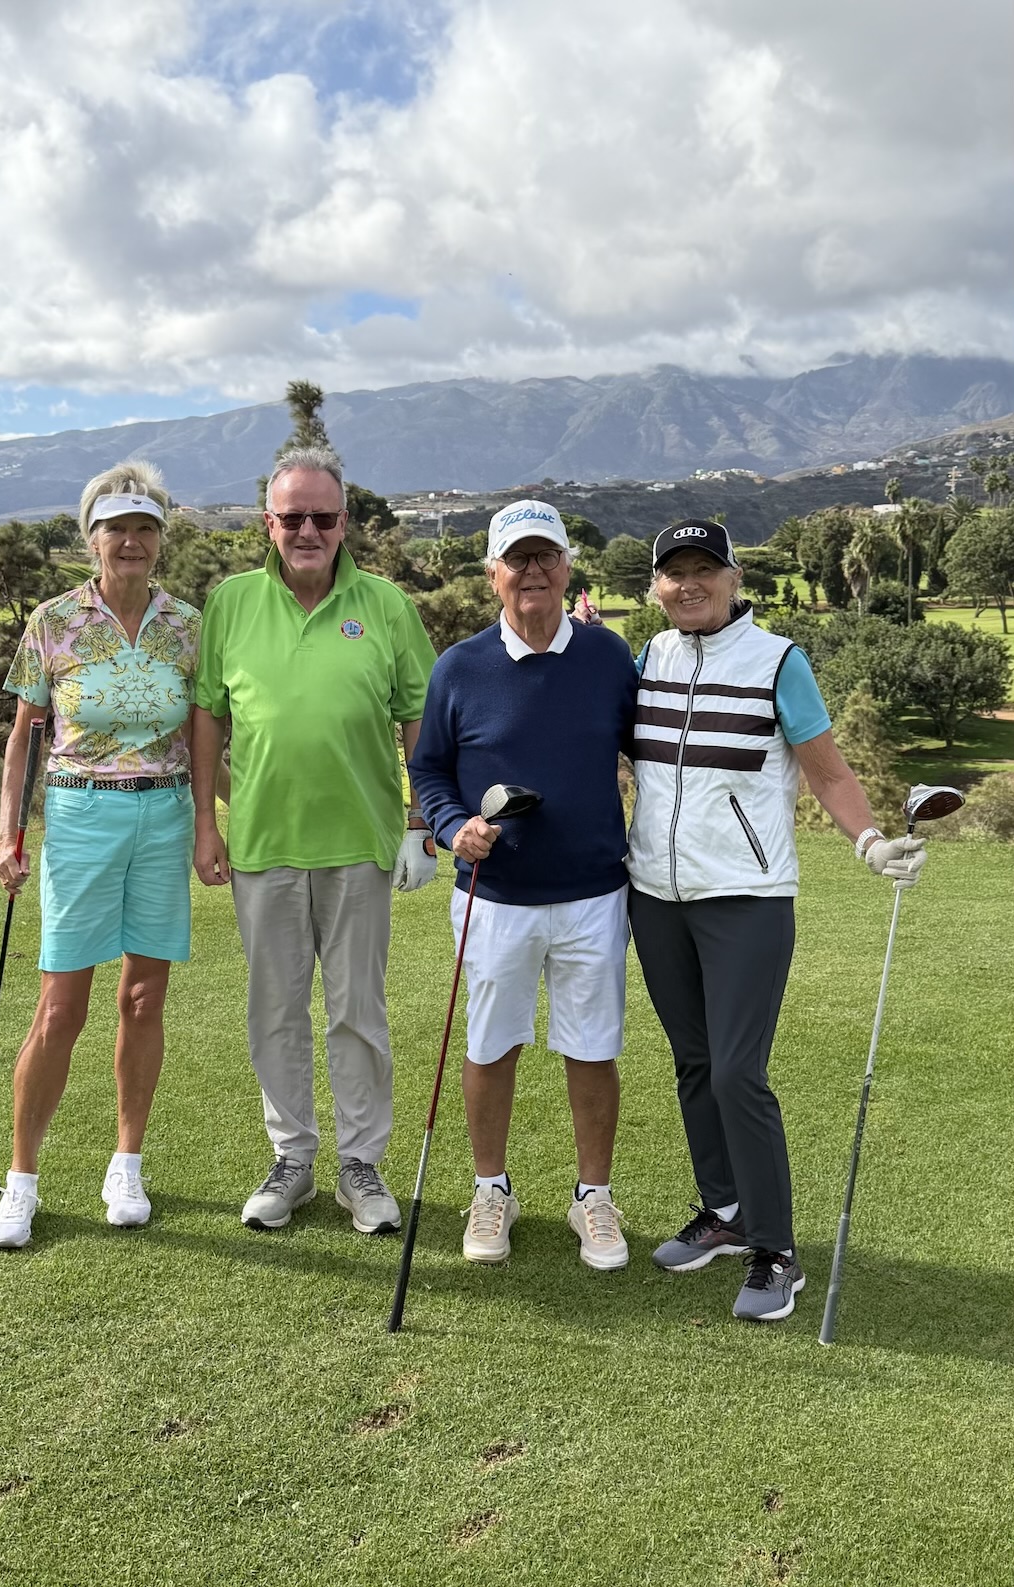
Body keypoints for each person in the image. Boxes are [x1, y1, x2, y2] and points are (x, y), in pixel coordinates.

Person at [619, 518, 926, 1321]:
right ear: (655, 586)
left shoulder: (778, 660)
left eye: (705, 569)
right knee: (693, 1062)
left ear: (735, 577)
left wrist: (869, 842)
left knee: (736, 1071)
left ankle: (777, 1251)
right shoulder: (649, 658)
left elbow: (828, 771)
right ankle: (724, 1209)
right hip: (655, 896)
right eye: (674, 572)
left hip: (746, 898)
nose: (689, 584)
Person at [191, 445, 437, 1236]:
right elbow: (207, 716)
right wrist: (206, 822)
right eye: (292, 516)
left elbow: (419, 715)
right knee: (275, 1010)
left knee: (358, 1010)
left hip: (361, 842)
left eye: (322, 517)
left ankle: (360, 1164)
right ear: (268, 523)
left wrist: (421, 818)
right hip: (263, 843)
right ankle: (292, 1159)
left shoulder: (385, 605)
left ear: (344, 523)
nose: (307, 530)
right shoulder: (231, 603)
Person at [410, 500, 639, 1270]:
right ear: (493, 575)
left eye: (546, 556)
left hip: (594, 894)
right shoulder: (459, 666)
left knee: (592, 1049)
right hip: (494, 895)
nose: (533, 570)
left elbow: (647, 751)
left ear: (567, 567)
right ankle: (492, 1189)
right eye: (518, 559)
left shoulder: (607, 656)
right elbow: (430, 770)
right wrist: (453, 827)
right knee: (491, 1045)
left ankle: (593, 1197)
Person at [0, 461, 200, 1249]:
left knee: (143, 998)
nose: (132, 541)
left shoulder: (189, 624)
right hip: (81, 814)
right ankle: (22, 1179)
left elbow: (204, 732)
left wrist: (215, 822)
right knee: (60, 1007)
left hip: (166, 813)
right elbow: (23, 739)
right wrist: (8, 832)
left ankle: (126, 1164)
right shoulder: (53, 620)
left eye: (146, 528)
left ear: (161, 539)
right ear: (92, 538)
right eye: (117, 529)